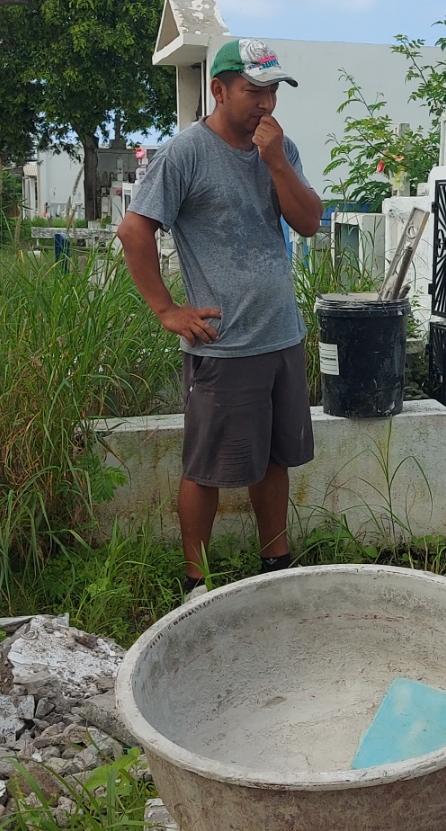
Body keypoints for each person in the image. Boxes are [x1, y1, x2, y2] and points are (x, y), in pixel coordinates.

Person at [118, 39, 324, 600]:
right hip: (224, 344)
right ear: (219, 89)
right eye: (253, 91)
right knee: (206, 467)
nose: (266, 103)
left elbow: (308, 223)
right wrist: (167, 310)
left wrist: (276, 162)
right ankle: (196, 582)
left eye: (272, 91)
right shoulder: (185, 153)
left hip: (281, 335)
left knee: (276, 459)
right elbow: (134, 232)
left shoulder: (280, 148)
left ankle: (276, 564)